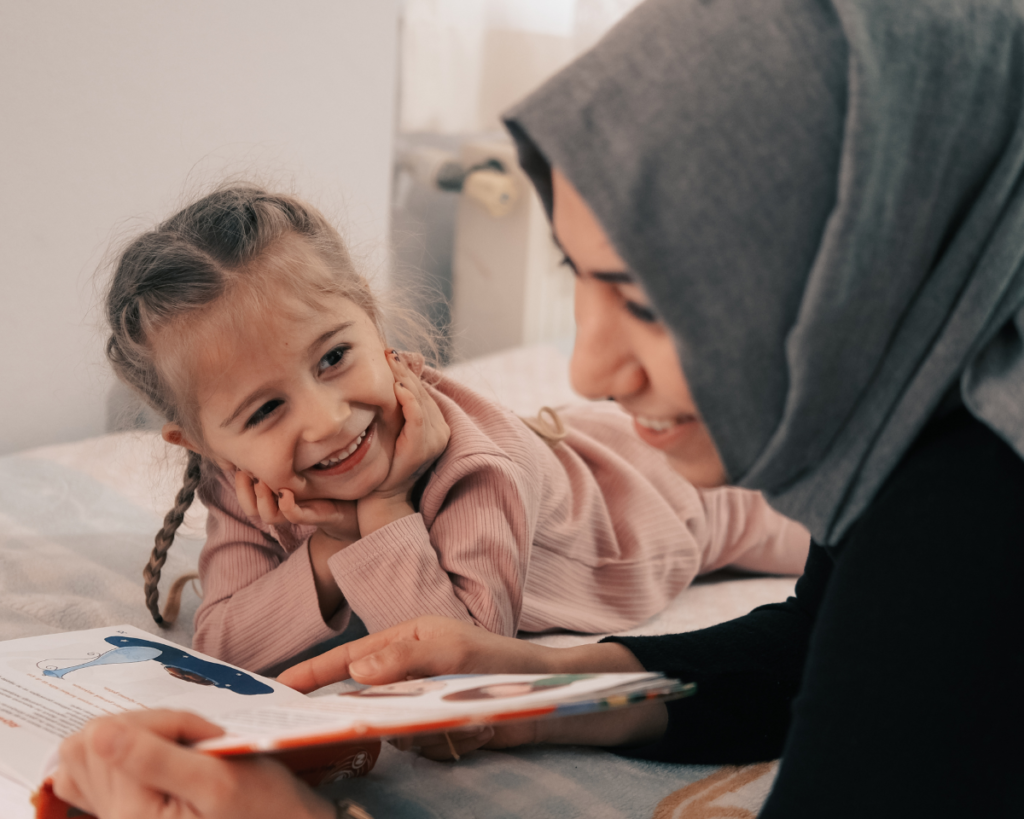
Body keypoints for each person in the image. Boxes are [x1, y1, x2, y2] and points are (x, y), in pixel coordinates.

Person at [53, 0, 1024, 816]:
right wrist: (541, 685)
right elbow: (813, 648)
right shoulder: (924, 419)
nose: (590, 368)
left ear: (870, 244)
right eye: (578, 276)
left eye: (648, 299)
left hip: (647, 506)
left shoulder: (973, 513)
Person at [104, 185, 807, 674]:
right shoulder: (240, 482)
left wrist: (381, 512)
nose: (326, 418)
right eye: (264, 411)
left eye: (335, 357)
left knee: (831, 528)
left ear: (373, 323)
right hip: (574, 452)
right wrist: (325, 551)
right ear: (200, 444)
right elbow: (223, 641)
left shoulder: (471, 462)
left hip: (657, 504)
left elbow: (461, 652)